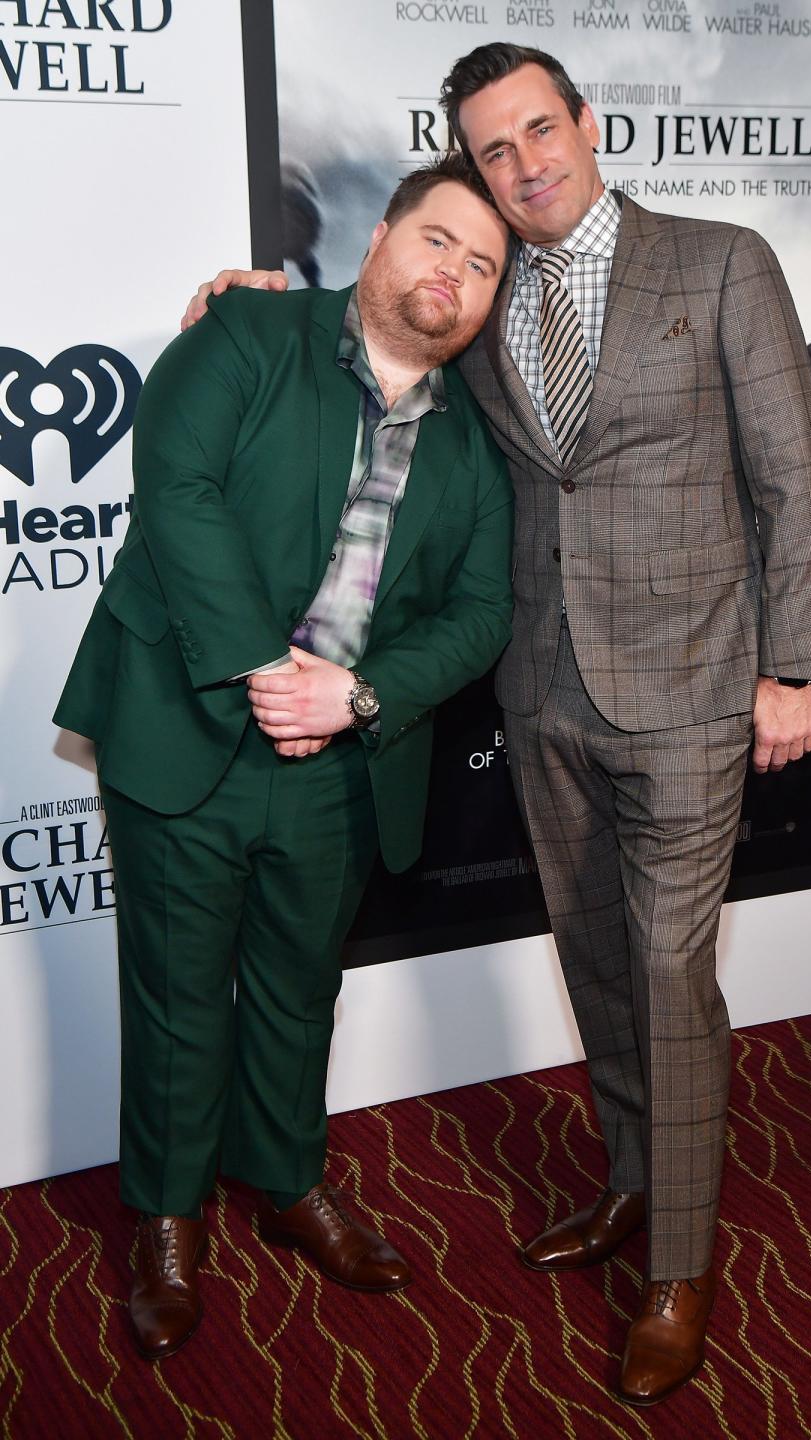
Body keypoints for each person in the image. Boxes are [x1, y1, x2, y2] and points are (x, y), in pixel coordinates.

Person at [182, 42, 811, 1407]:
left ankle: (679, 1264)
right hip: (542, 692)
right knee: (596, 960)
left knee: (669, 973)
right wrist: (249, 306)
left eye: (542, 130)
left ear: (588, 125)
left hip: (698, 687)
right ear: (473, 168)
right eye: (494, 150)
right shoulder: (479, 302)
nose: (527, 164)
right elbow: (378, 347)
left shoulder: (721, 261)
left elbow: (791, 478)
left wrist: (794, 670)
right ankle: (629, 1179)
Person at [54, 153, 514, 1362]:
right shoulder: (250, 333)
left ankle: (288, 1179)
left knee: (301, 987)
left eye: (481, 266)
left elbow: (477, 616)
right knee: (175, 990)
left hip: (344, 761)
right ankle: (164, 1218)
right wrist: (270, 671)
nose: (452, 274)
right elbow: (178, 486)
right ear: (375, 245)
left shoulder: (476, 449)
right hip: (189, 727)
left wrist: (352, 694)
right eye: (436, 241)